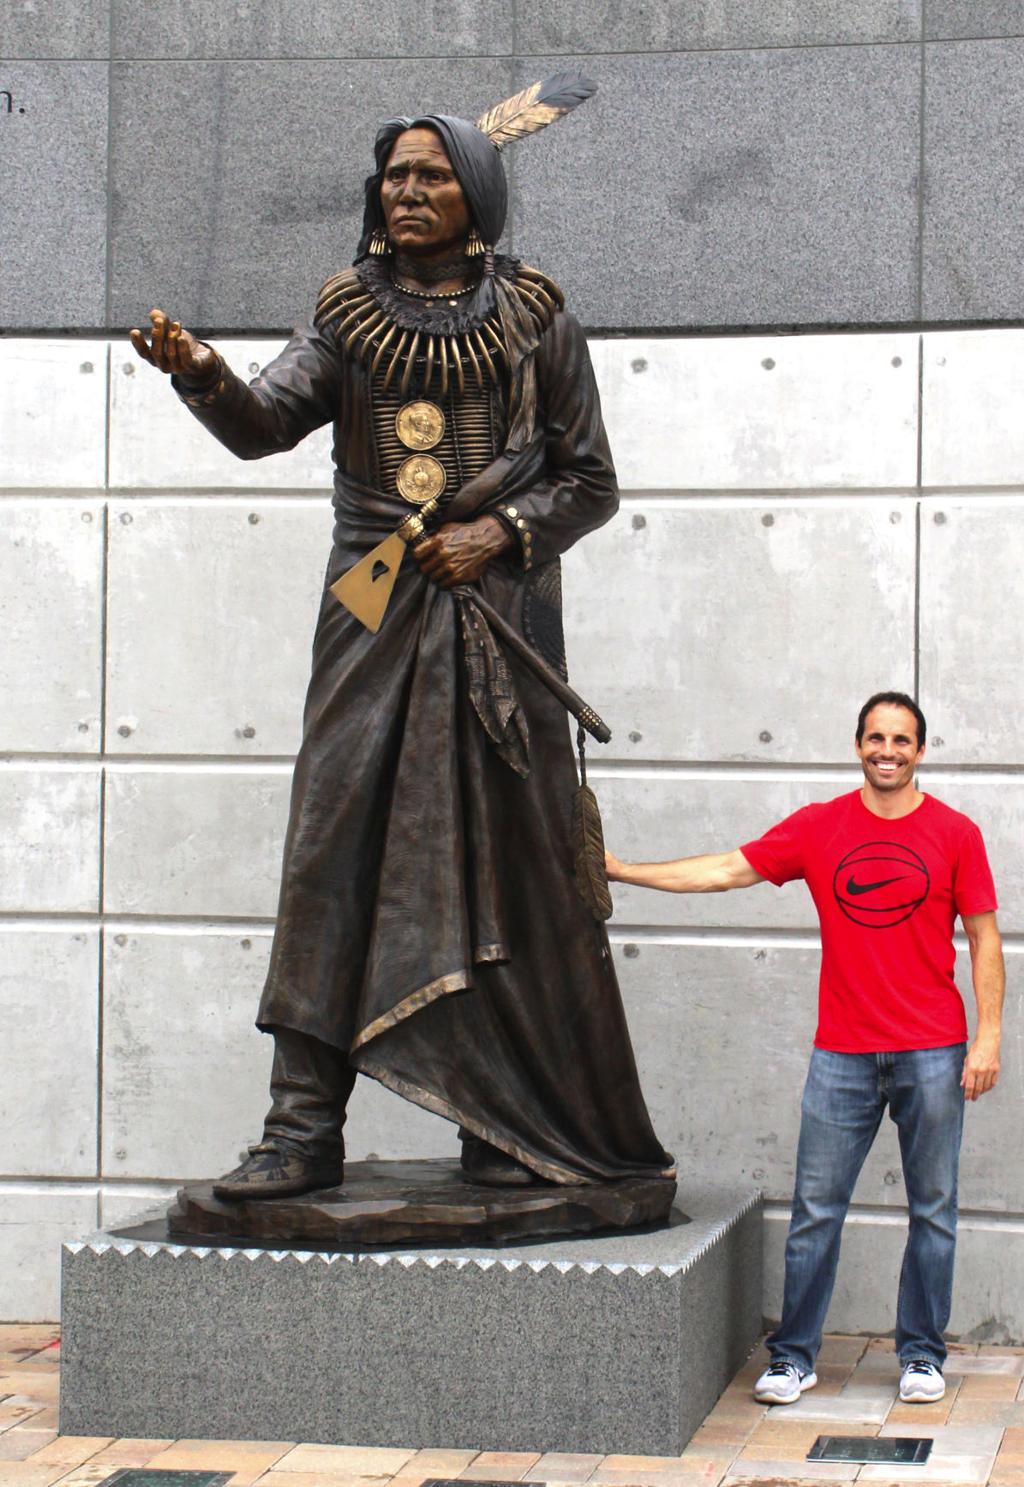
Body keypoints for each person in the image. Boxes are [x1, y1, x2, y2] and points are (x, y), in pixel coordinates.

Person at [129, 77, 674, 1201]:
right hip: (372, 590)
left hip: (497, 611)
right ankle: (300, 1127)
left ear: (476, 193)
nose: (407, 190)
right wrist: (200, 375)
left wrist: (498, 532)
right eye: (395, 174)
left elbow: (591, 484)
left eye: (431, 174)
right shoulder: (347, 310)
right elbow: (265, 426)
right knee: (331, 843)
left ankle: (500, 1120)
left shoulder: (537, 316)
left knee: (501, 859)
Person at [606, 692, 1003, 1406]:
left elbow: (982, 937)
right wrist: (621, 869)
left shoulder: (957, 832)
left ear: (921, 749)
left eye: (902, 739)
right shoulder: (820, 828)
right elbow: (727, 869)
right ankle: (793, 1356)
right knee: (818, 1208)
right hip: (842, 1054)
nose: (889, 750)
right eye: (877, 738)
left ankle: (921, 1353)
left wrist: (990, 1037)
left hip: (933, 1050)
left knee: (934, 1209)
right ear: (858, 745)